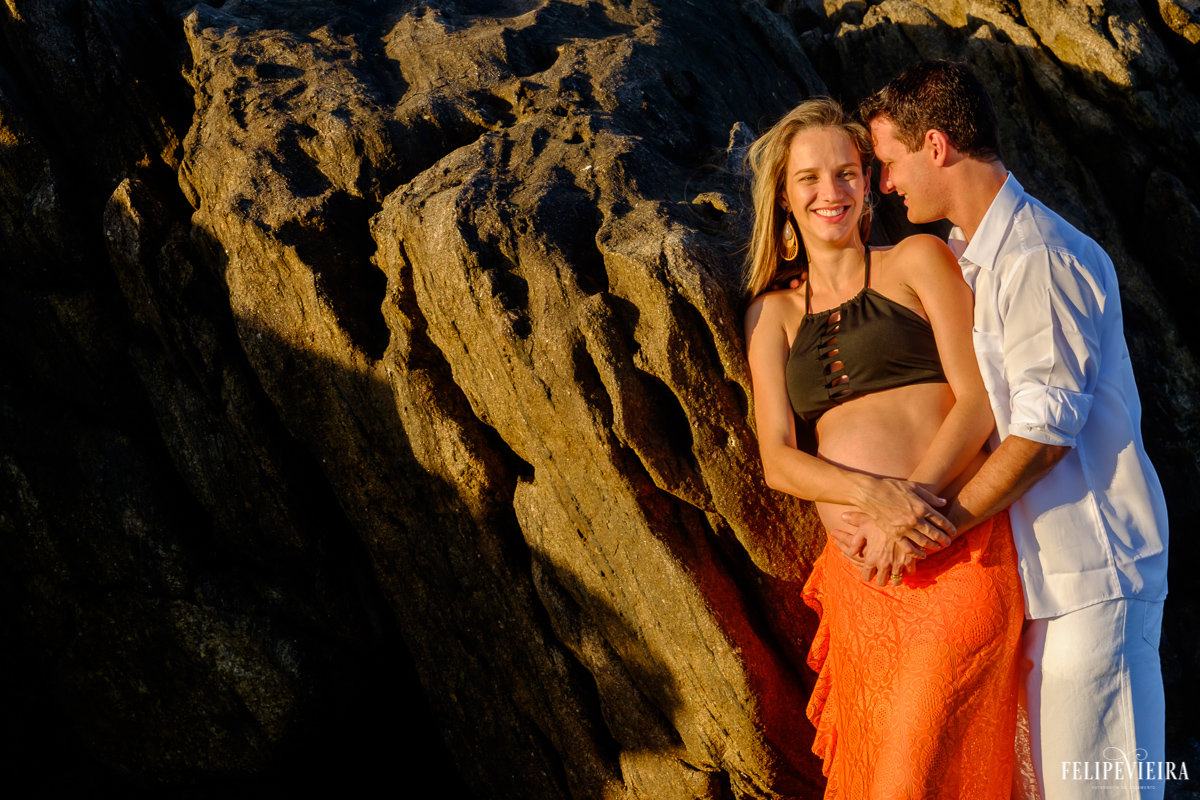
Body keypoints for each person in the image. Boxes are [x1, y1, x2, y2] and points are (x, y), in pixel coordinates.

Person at [852, 60, 1170, 799]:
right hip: (1044, 591)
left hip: (1094, 581)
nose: (889, 184)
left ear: (936, 146)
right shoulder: (978, 262)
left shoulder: (1039, 258)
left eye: (891, 162)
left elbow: (1043, 435)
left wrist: (935, 526)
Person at [742, 97, 1023, 799]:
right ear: (783, 196)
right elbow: (778, 459)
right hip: (863, 577)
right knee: (878, 773)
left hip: (958, 549)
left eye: (846, 173)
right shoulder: (770, 314)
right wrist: (873, 499)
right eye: (808, 179)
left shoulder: (917, 261)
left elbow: (979, 399)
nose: (830, 193)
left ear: (869, 184)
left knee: (911, 774)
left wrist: (913, 508)